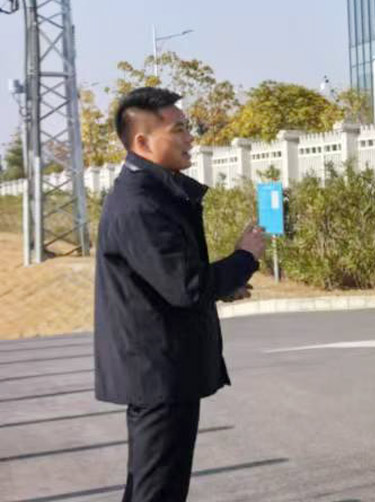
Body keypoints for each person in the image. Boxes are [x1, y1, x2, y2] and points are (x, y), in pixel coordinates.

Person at [95, 86, 266, 502]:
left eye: (188, 128)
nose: (190, 138)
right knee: (158, 491)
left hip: (162, 370)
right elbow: (187, 285)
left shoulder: (153, 193)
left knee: (152, 487)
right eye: (179, 130)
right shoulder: (141, 204)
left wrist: (225, 286)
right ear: (142, 142)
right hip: (158, 373)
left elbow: (168, 279)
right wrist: (244, 258)